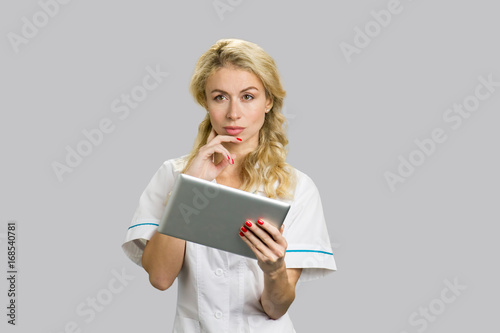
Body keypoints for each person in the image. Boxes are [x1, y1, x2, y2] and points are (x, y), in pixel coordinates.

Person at [122, 38, 337, 332]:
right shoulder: (173, 175)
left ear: (268, 101)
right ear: (206, 102)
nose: (233, 113)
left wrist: (274, 269)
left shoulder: (297, 187)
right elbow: (160, 278)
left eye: (248, 97)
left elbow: (275, 308)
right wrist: (191, 186)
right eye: (220, 97)